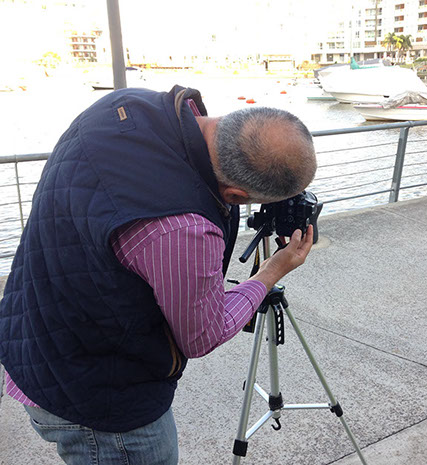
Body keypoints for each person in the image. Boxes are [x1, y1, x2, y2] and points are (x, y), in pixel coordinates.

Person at [0, 85, 317, 464]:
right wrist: (269, 273)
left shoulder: (124, 105)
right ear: (235, 196)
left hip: (33, 335)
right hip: (99, 403)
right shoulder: (184, 228)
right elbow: (201, 335)